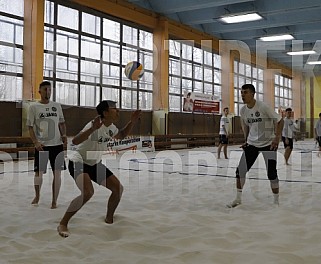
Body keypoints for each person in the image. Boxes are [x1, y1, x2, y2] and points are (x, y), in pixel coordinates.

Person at [57, 100, 141, 238]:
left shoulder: (111, 127)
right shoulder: (93, 125)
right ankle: (63, 223)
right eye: (114, 109)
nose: (118, 110)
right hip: (78, 161)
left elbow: (121, 135)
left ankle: (109, 219)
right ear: (105, 112)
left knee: (118, 189)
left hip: (94, 163)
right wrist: (92, 129)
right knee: (88, 192)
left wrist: (132, 121)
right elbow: (75, 141)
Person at [227, 84, 284, 208]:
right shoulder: (243, 110)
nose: (242, 95)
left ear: (252, 94)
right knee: (240, 171)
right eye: (241, 92)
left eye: (245, 92)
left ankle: (276, 201)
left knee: (271, 174)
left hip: (268, 144)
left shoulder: (263, 107)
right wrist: (246, 140)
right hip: (252, 144)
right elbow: (246, 126)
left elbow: (279, 120)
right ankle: (238, 199)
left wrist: (277, 138)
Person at [26, 81, 67, 209]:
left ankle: (54, 201)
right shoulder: (33, 107)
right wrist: (35, 142)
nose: (48, 92)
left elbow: (62, 123)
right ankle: (37, 196)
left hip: (57, 145)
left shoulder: (57, 106)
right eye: (45, 89)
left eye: (49, 90)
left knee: (57, 174)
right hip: (42, 146)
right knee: (38, 173)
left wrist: (64, 135)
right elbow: (30, 127)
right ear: (40, 91)